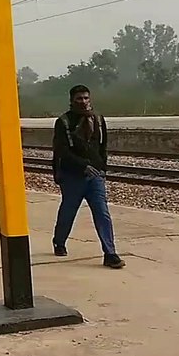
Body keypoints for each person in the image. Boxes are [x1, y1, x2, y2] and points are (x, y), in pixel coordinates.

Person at [51, 84, 125, 269]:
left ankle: (110, 253)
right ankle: (59, 241)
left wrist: (102, 169)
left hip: (95, 177)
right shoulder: (64, 122)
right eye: (79, 99)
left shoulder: (98, 120)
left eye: (86, 98)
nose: (83, 102)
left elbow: (103, 146)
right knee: (68, 212)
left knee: (102, 213)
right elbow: (62, 151)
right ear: (72, 101)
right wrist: (82, 165)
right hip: (73, 176)